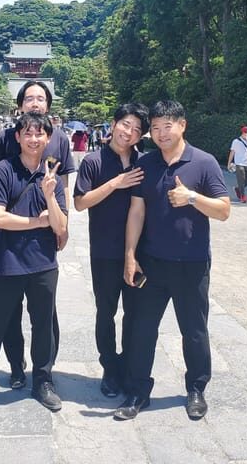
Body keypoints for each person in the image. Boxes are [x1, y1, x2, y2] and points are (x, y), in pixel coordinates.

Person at [116, 100, 230, 421]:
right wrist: (130, 255)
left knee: (194, 330)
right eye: (155, 127)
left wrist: (191, 197)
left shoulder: (204, 163)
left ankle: (196, 388)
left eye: (167, 126)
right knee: (142, 328)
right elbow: (136, 211)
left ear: (182, 125)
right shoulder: (147, 164)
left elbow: (223, 210)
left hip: (192, 264)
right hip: (152, 262)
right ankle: (139, 390)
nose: (161, 133)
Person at [0, 112, 68, 420]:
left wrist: (50, 197)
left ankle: (43, 382)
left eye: (40, 134)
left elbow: (59, 227)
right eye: (28, 133)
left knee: (43, 325)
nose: (34, 139)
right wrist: (37, 221)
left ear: (49, 138)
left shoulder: (52, 176)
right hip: (6, 263)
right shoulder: (3, 171)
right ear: (17, 137)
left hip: (44, 264)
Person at [0, 80, 74, 389]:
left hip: (45, 230)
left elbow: (63, 185)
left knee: (44, 311)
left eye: (41, 98)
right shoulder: (4, 137)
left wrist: (64, 225)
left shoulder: (60, 139)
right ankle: (15, 365)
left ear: (48, 105)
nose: (35, 103)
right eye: (29, 98)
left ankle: (44, 372)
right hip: (11, 233)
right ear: (21, 104)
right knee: (9, 311)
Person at [74, 103, 149, 398]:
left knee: (135, 313)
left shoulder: (145, 162)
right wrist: (116, 183)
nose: (129, 132)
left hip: (139, 252)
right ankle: (109, 367)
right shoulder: (94, 161)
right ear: (114, 123)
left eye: (136, 129)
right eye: (125, 124)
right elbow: (80, 202)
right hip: (104, 251)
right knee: (105, 312)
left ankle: (127, 366)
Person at [226, 126, 247, 203]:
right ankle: (243, 196)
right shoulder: (236, 141)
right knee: (241, 179)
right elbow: (232, 152)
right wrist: (229, 163)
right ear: (243, 133)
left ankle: (238, 189)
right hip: (239, 163)